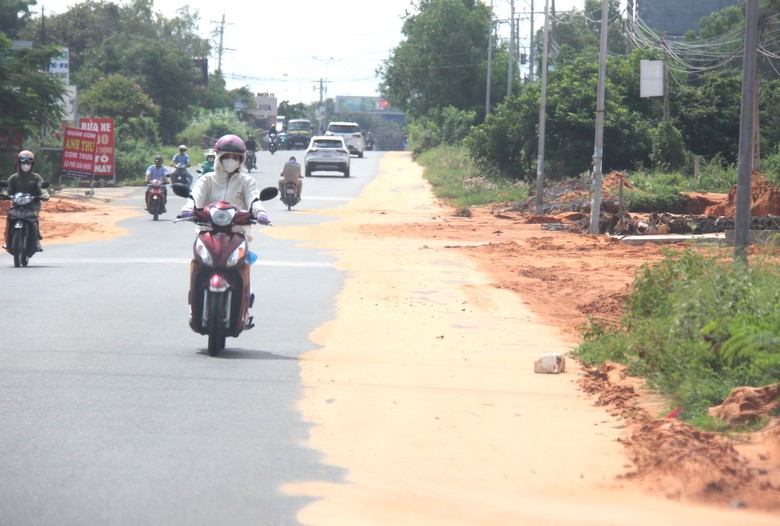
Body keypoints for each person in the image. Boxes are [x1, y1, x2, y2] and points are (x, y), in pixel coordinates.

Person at [178, 134, 269, 240]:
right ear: (218, 158)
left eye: (235, 157)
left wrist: (260, 212)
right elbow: (195, 197)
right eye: (226, 157)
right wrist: (188, 208)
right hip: (207, 232)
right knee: (198, 256)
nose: (230, 161)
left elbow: (254, 200)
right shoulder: (206, 179)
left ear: (241, 160)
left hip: (238, 233)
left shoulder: (247, 181)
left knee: (244, 256)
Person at [2, 150, 49, 252]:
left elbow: (42, 188)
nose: (26, 165)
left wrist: (44, 195)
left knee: (34, 219)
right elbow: (7, 189)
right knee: (10, 218)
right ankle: (7, 239)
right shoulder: (14, 178)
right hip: (16, 204)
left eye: (28, 163)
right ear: (19, 163)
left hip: (33, 206)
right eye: (23, 163)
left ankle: (36, 241)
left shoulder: (36, 177)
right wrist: (4, 195)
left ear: (32, 164)